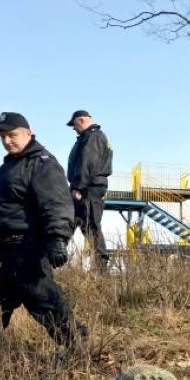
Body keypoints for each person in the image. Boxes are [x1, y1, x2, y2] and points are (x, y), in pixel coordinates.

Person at [0, 112, 87, 374]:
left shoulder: (41, 163)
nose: (7, 141)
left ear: (28, 132)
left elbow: (56, 203)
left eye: (12, 135)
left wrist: (58, 240)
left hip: (25, 249)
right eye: (3, 137)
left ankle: (78, 350)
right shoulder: (11, 165)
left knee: (45, 303)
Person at [66, 109, 112, 272]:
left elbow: (88, 162)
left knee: (91, 225)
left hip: (88, 188)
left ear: (82, 120)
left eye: (74, 124)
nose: (73, 128)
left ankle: (101, 268)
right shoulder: (90, 137)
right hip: (87, 186)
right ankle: (49, 259)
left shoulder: (93, 137)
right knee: (73, 222)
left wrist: (78, 186)